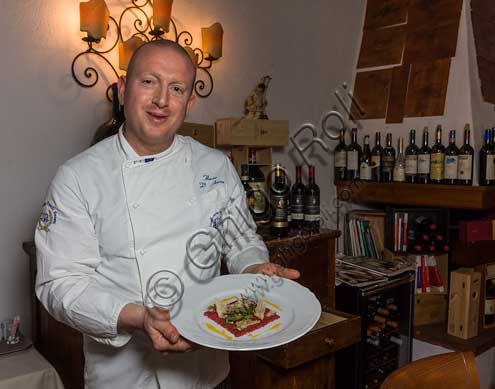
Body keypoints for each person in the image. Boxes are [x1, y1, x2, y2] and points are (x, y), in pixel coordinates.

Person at [35, 40, 299, 389]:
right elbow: (59, 284)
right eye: (149, 82)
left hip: (208, 371)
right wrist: (136, 316)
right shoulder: (78, 177)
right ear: (122, 89)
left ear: (189, 102)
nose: (162, 99)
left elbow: (241, 239)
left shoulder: (216, 165)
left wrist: (252, 266)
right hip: (124, 379)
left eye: (176, 88)